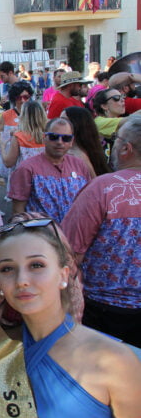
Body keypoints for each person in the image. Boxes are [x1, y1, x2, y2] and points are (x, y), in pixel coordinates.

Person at [0, 213, 141, 418]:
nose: (21, 279)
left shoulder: (114, 360)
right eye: (7, 268)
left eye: (37, 265)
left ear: (63, 275)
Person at [62, 114, 141, 347]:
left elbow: (69, 251)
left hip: (101, 311)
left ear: (126, 149)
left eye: (115, 140)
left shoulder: (103, 188)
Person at [8, 117, 92, 222]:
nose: (60, 142)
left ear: (72, 141)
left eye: (66, 138)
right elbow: (18, 211)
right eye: (54, 137)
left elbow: (88, 200)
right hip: (42, 235)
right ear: (44, 138)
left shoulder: (79, 165)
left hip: (74, 234)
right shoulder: (27, 168)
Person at [62, 106, 111, 176]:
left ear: (77, 124)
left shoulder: (77, 155)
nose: (59, 123)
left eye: (64, 121)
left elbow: (93, 183)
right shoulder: (80, 151)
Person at [1, 100, 46, 171]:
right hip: (43, 175)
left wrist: (2, 146)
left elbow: (8, 163)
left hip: (24, 176)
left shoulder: (18, 137)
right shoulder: (49, 136)